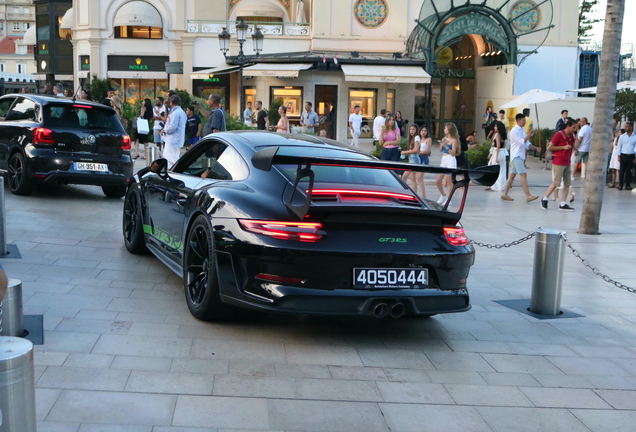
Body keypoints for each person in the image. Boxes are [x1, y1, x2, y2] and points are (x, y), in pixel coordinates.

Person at [501, 113, 540, 202]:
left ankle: (505, 194)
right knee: (523, 174)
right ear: (518, 121)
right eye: (523, 120)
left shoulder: (522, 130)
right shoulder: (514, 130)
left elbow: (527, 144)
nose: (525, 122)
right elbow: (521, 142)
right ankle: (528, 195)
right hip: (516, 156)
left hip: (520, 156)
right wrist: (529, 135)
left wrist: (535, 148)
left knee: (512, 176)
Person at [540, 118, 577, 211]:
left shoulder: (572, 136)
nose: (574, 129)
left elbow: (576, 147)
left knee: (567, 183)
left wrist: (577, 138)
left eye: (576, 128)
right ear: (568, 126)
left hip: (567, 162)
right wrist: (563, 147)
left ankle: (563, 203)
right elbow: (550, 147)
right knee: (556, 183)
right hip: (559, 162)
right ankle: (545, 198)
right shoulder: (559, 134)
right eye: (573, 127)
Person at [435, 123, 460, 205]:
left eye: (445, 128)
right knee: (438, 180)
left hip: (450, 159)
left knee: (449, 182)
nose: (444, 130)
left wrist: (446, 146)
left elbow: (453, 153)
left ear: (449, 130)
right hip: (444, 159)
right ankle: (443, 195)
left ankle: (449, 200)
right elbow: (440, 150)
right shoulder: (444, 138)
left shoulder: (454, 140)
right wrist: (442, 144)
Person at [161, 95, 187, 168]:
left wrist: (164, 130)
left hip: (171, 139)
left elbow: (172, 126)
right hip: (178, 139)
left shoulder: (175, 113)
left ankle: (168, 172)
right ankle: (176, 171)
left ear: (172, 102)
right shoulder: (182, 112)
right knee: (175, 158)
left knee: (167, 157)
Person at [486, 121, 508, 192]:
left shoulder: (497, 135)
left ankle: (495, 186)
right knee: (502, 170)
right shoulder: (504, 135)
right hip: (503, 152)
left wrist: (496, 156)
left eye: (496, 126)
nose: (494, 128)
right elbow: (504, 145)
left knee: (494, 169)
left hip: (497, 152)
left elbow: (497, 146)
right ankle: (502, 186)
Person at [401, 124, 421, 194]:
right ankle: (414, 194)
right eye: (410, 129)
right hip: (411, 159)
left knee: (404, 177)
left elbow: (416, 150)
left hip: (414, 160)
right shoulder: (412, 138)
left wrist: (405, 152)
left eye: (413, 129)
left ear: (416, 130)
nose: (411, 131)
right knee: (412, 178)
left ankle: (404, 192)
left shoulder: (417, 137)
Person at [618, 121, 636, 190]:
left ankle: (627, 185)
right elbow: (619, 146)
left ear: (631, 127)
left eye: (627, 126)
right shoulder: (622, 136)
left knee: (629, 171)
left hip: (631, 155)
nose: (626, 128)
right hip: (623, 155)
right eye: (625, 126)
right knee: (622, 171)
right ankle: (620, 185)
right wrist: (618, 156)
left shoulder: (634, 137)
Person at [416, 125, 432, 198]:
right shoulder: (418, 139)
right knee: (418, 178)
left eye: (425, 131)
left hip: (424, 158)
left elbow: (428, 151)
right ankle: (421, 194)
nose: (423, 132)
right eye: (422, 131)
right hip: (418, 158)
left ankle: (423, 195)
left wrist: (418, 152)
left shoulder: (428, 139)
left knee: (419, 177)